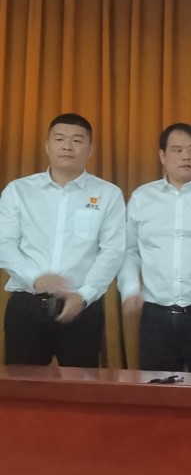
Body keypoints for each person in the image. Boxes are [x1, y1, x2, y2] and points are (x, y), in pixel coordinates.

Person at [0, 113, 125, 367]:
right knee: (23, 385)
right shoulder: (19, 190)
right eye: (59, 139)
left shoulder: (108, 194)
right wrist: (35, 277)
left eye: (77, 140)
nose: (67, 146)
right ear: (47, 146)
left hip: (81, 307)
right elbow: (4, 243)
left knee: (81, 386)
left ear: (90, 149)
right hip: (27, 304)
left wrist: (85, 296)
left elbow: (112, 250)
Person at [118, 123, 191, 374]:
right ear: (163, 156)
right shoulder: (142, 197)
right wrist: (130, 289)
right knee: (156, 392)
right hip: (155, 317)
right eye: (177, 150)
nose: (186, 156)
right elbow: (129, 250)